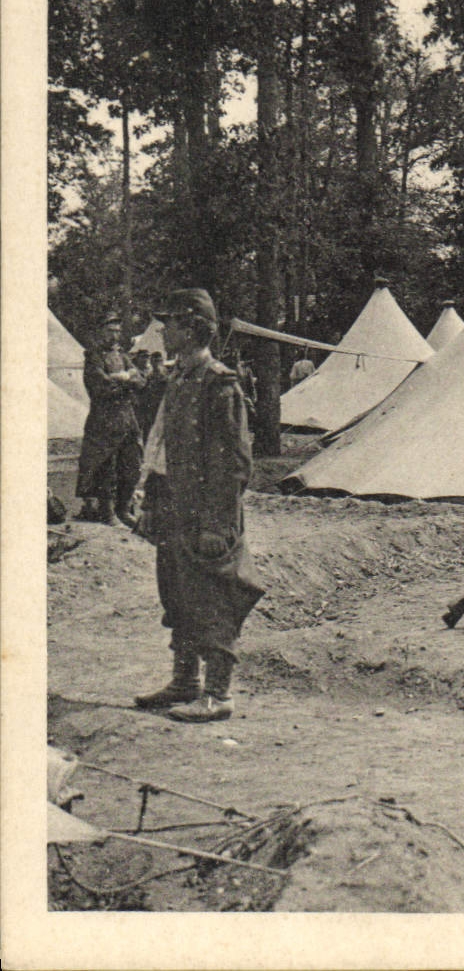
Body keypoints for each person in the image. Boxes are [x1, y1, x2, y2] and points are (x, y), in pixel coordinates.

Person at [132, 289, 264, 723]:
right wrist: (152, 501)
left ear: (190, 329)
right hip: (173, 507)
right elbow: (161, 448)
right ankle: (185, 681)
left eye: (169, 323)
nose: (163, 331)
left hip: (207, 513)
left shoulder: (219, 382)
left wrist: (217, 524)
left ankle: (218, 694)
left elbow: (232, 464)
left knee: (214, 597)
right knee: (177, 593)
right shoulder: (178, 378)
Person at [75, 313, 146, 527]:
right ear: (100, 332)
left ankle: (123, 509)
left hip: (126, 417)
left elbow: (141, 380)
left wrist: (125, 377)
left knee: (131, 463)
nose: (114, 335)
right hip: (104, 419)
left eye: (117, 330)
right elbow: (100, 387)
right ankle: (107, 513)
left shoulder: (122, 356)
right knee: (106, 464)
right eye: (109, 330)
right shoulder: (94, 357)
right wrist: (126, 379)